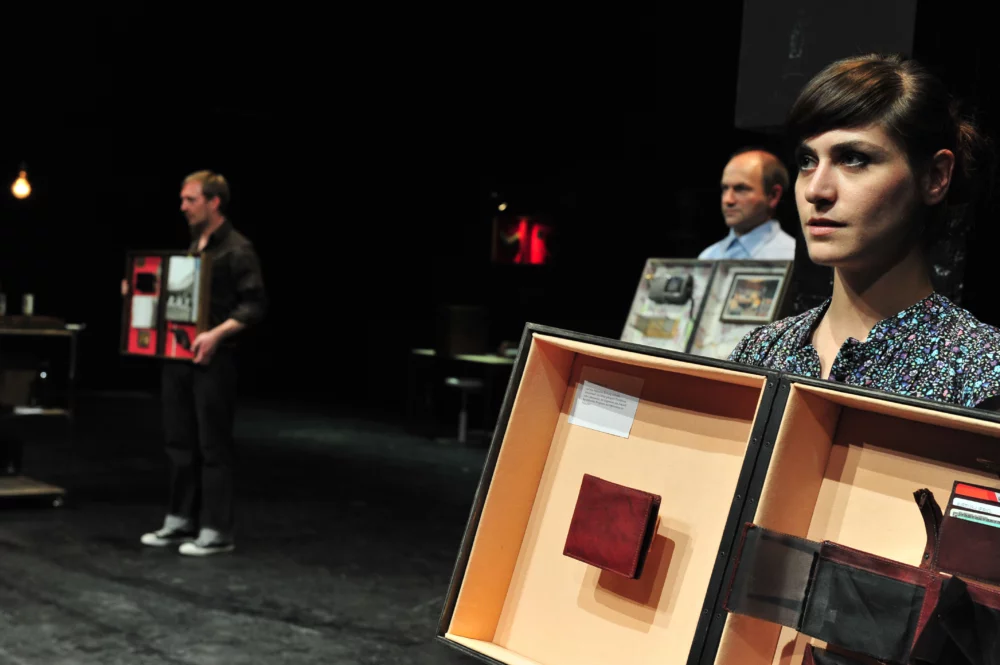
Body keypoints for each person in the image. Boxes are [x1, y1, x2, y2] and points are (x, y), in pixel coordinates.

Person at [728, 53, 1000, 408]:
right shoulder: (760, 353)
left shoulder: (981, 371)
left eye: (853, 158)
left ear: (934, 177)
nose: (816, 190)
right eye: (807, 161)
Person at [124, 170, 267, 555]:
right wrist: (139, 288)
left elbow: (254, 305)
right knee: (178, 441)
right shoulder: (194, 246)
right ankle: (179, 518)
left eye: (190, 199)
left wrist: (216, 334)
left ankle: (216, 530)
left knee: (212, 445)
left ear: (214, 201)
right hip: (178, 356)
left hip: (213, 360)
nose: (183, 206)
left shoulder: (237, 249)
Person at [699, 148, 796, 260]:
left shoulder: (791, 258)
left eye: (741, 189)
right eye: (725, 188)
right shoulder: (708, 257)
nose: (727, 200)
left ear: (773, 195)